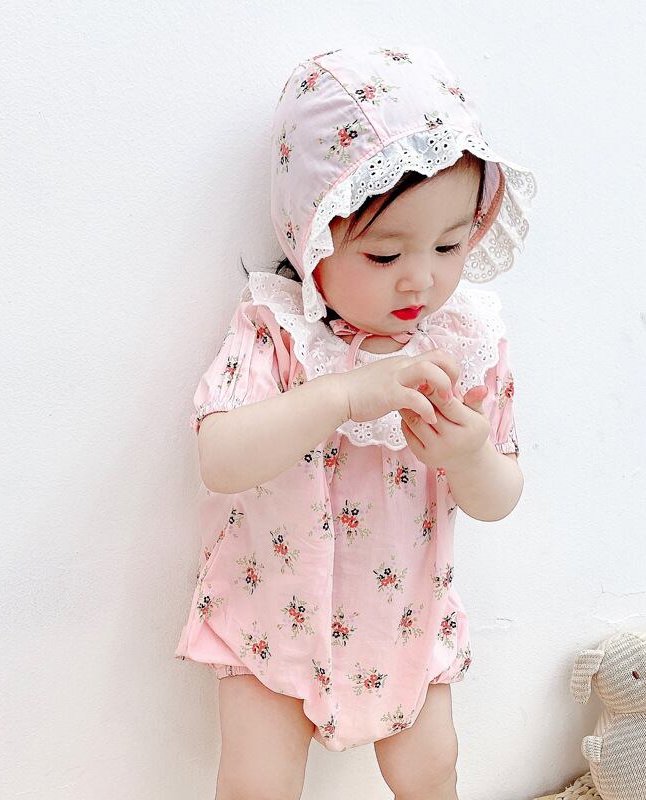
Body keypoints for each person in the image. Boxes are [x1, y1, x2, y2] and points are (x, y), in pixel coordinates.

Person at [174, 44, 537, 799]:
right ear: (310, 236)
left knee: (431, 767)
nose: (421, 278)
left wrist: (470, 454)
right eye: (383, 255)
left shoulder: (463, 344)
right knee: (256, 782)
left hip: (405, 616)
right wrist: (340, 397)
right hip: (271, 614)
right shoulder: (277, 333)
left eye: (449, 245)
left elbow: (500, 496)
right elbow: (220, 457)